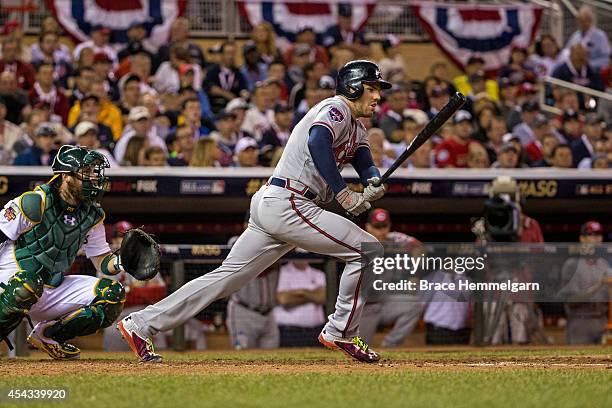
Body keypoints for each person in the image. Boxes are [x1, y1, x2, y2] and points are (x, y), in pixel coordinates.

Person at [117, 60, 389, 363]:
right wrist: (342, 193)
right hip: (290, 201)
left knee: (224, 280)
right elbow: (318, 142)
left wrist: (372, 181)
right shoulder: (336, 108)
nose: (377, 96)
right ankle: (341, 330)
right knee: (367, 250)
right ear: (352, 87)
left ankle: (141, 324)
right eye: (372, 88)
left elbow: (364, 160)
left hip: (278, 203)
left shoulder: (356, 127)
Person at [0, 145, 127, 359]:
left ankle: (48, 335)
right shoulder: (35, 201)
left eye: (94, 174)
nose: (93, 180)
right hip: (11, 280)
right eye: (86, 173)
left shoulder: (93, 214)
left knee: (112, 294)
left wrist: (124, 261)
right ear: (65, 176)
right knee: (27, 284)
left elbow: (102, 262)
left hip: (51, 287)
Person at [359, 209, 424, 347]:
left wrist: (414, 274)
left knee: (414, 305)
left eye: (384, 226)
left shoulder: (394, 239)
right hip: (364, 308)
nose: (381, 231)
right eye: (377, 227)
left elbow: (419, 248)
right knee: (358, 348)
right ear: (368, 226)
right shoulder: (358, 239)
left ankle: (390, 346)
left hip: (385, 302)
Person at [559, 221, 610, 344]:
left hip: (602, 321)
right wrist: (598, 286)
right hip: (580, 322)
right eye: (592, 234)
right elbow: (570, 300)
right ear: (582, 238)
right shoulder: (572, 265)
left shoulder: (604, 265)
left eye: (599, 235)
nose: (597, 239)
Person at [275, 257, 326, 348]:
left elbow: (322, 298)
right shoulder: (281, 272)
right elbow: (284, 300)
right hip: (289, 332)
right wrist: (312, 294)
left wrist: (300, 292)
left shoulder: (319, 274)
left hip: (316, 332)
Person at [564, 5, 611, 71]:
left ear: (591, 20)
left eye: (585, 20)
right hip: (575, 71)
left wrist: (588, 64)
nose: (583, 23)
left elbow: (606, 59)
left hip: (594, 73)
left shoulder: (600, 36)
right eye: (580, 21)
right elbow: (566, 53)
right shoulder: (575, 36)